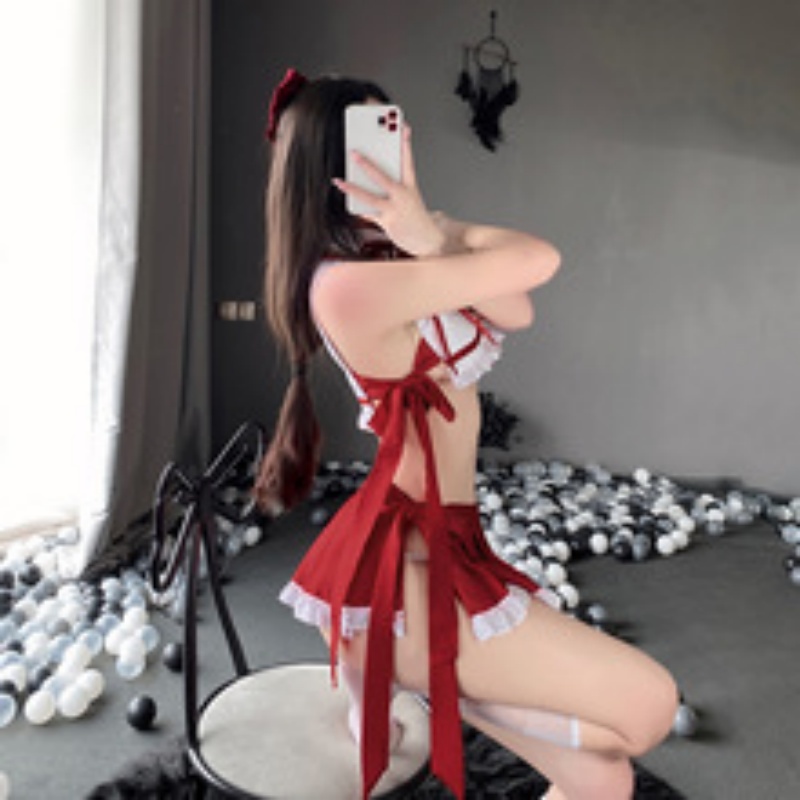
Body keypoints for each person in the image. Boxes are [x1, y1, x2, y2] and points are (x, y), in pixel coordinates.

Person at [255, 68, 678, 800]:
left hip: (447, 545)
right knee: (648, 710)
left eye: (398, 129)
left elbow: (517, 306)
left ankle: (418, 694)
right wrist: (436, 234)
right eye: (379, 135)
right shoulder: (343, 286)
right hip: (398, 583)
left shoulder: (400, 255)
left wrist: (429, 231)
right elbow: (539, 261)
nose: (402, 145)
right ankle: (423, 689)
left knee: (603, 779)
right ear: (331, 164)